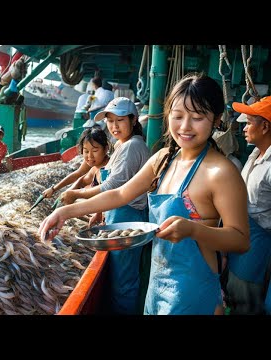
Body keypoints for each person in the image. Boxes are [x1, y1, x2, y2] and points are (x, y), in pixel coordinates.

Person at [39, 73, 250, 315]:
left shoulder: (221, 172)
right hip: (157, 285)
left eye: (197, 118)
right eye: (178, 116)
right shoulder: (163, 159)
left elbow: (240, 240)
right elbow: (120, 194)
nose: (184, 127)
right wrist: (65, 211)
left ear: (217, 120)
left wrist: (193, 229)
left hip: (194, 293)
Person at [59, 97, 151, 315]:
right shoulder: (121, 145)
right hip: (118, 213)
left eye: (120, 120)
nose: (114, 126)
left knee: (124, 282)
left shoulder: (132, 146)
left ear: (134, 119)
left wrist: (75, 194)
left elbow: (112, 186)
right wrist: (100, 210)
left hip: (129, 216)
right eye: (110, 121)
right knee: (119, 275)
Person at [221, 96, 271, 314]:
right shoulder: (254, 154)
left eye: (249, 123)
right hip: (242, 236)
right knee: (233, 292)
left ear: (265, 126)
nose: (243, 128)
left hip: (259, 243)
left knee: (247, 299)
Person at [42, 126, 109, 200]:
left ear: (106, 149)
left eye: (95, 151)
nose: (90, 156)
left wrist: (73, 194)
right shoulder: (94, 164)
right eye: (86, 151)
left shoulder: (107, 169)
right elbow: (79, 175)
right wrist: (54, 189)